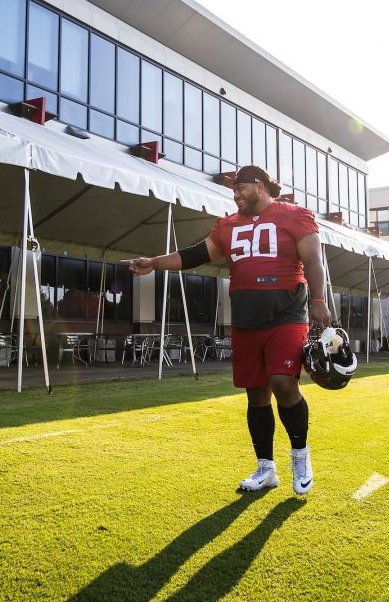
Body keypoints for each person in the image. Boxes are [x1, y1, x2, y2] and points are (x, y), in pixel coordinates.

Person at [123, 165, 330, 495]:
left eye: (240, 189)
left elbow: (314, 259)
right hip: (246, 319)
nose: (234, 195)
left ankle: (300, 456)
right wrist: (155, 262)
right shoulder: (229, 225)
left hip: (288, 313)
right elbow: (194, 254)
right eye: (232, 191)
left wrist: (318, 298)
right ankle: (266, 469)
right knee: (255, 392)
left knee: (282, 382)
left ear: (259, 186)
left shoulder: (295, 215)